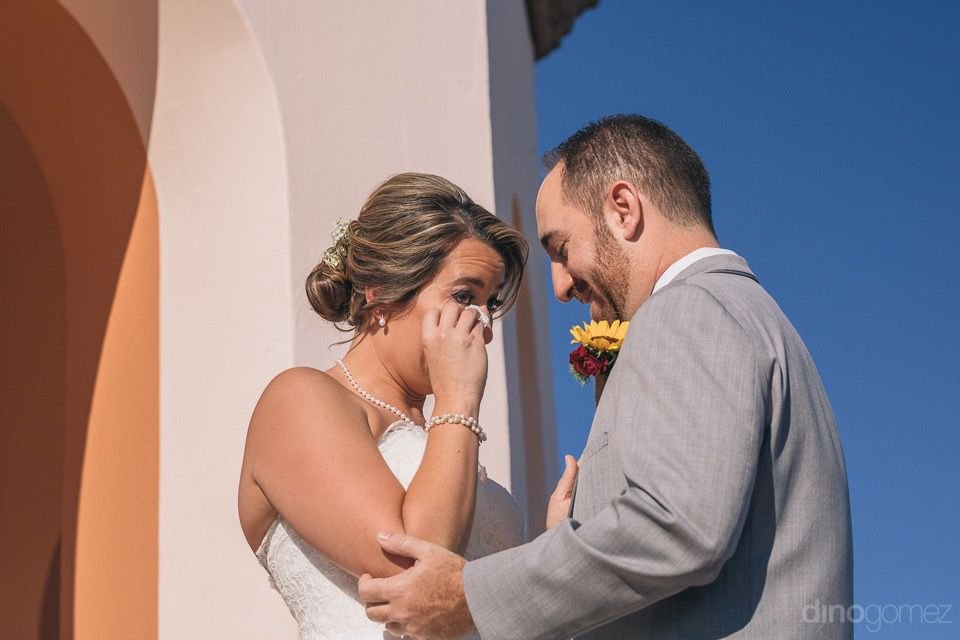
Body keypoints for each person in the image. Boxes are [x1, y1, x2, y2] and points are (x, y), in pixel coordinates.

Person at [356, 115, 854, 639]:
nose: (561, 286)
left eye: (561, 248)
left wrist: (471, 597)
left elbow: (679, 526)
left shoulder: (689, 308)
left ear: (624, 210)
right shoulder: (750, 315)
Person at [237, 172, 574, 639]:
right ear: (379, 288)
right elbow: (416, 569)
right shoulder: (300, 399)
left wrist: (553, 552)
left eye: (488, 303)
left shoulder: (442, 435)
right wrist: (458, 400)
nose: (482, 325)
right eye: (464, 296)